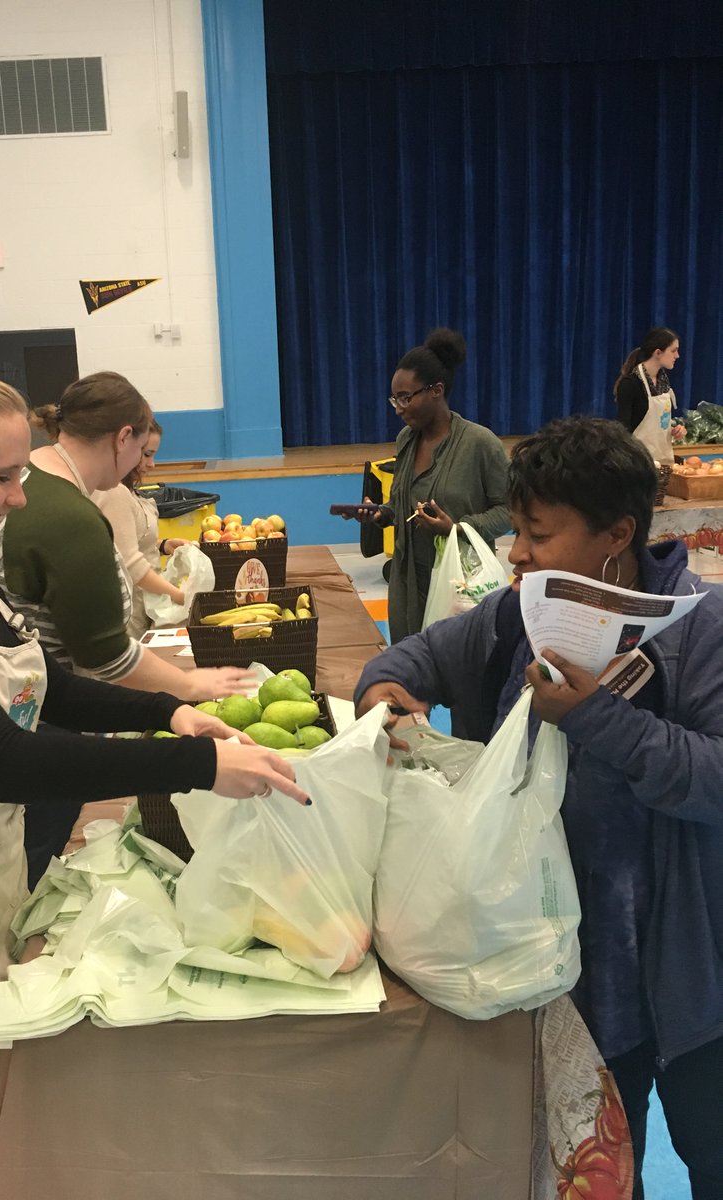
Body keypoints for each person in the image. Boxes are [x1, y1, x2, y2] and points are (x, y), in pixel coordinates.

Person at [0, 361, 309, 1200]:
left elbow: (47, 686)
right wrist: (197, 766)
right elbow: (1, 759)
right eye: (3, 476)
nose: (20, 497)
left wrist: (174, 713)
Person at [354, 415, 723, 1200]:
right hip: (564, 971)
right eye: (516, 531)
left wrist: (596, 718)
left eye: (538, 534)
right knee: (593, 1172)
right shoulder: (517, 616)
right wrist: (384, 691)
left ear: (616, 536)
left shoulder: (701, 630)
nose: (515, 553)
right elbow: (418, 655)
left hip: (691, 976)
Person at [0, 371, 256, 877]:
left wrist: (164, 707)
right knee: (28, 862)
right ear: (124, 438)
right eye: (142, 448)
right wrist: (188, 687)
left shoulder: (32, 483)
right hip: (33, 720)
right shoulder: (67, 515)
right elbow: (103, 658)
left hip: (15, 709)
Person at [343, 328, 510, 642]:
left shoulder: (480, 443)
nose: (398, 408)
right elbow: (401, 504)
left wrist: (457, 529)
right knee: (409, 662)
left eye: (406, 397)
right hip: (407, 586)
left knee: (453, 663)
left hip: (459, 587)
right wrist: (381, 514)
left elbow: (510, 511)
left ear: (436, 390)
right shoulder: (406, 439)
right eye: (395, 398)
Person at [95, 418, 189, 639]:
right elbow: (129, 563)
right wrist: (180, 595)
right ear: (124, 445)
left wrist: (163, 546)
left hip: (145, 604)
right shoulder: (114, 493)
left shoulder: (127, 491)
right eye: (146, 454)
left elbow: (127, 539)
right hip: (128, 615)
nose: (152, 464)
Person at [614, 326, 687, 464]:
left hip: (663, 460)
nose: (677, 356)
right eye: (673, 350)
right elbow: (622, 430)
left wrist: (673, 430)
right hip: (639, 463)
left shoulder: (663, 382)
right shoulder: (630, 383)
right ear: (658, 353)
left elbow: (659, 424)